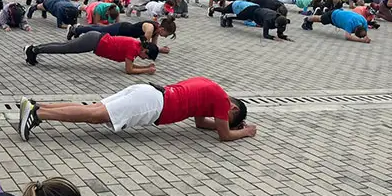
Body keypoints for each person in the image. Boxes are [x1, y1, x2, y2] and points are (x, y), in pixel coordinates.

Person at [18, 77, 254, 142]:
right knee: (93, 115)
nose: (222, 118)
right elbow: (224, 135)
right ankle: (39, 114)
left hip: (149, 92)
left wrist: (224, 126)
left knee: (94, 111)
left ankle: (37, 107)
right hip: (153, 105)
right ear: (232, 108)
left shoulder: (210, 89)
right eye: (229, 118)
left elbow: (201, 124)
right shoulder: (222, 101)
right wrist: (245, 132)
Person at [24, 32, 158, 73]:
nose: (143, 58)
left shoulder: (136, 45)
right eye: (146, 57)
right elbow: (129, 70)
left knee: (64, 46)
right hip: (93, 41)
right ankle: (34, 50)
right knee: (64, 48)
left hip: (95, 39)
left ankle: (35, 49)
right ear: (145, 50)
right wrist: (147, 70)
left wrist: (147, 68)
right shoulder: (134, 48)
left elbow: (131, 67)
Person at [69, 17, 176, 53]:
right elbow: (145, 43)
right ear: (162, 29)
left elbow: (152, 46)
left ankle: (77, 30)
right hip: (121, 28)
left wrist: (159, 49)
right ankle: (76, 29)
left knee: (99, 30)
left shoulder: (156, 32)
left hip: (124, 31)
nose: (166, 36)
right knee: (99, 30)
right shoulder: (151, 27)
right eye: (167, 34)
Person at [219, 0, 290, 40]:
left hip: (258, 9)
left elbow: (280, 33)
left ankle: (228, 18)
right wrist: (274, 38)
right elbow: (265, 35)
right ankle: (226, 16)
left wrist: (284, 37)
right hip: (251, 10)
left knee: (241, 17)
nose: (278, 28)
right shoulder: (268, 20)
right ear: (276, 23)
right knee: (240, 17)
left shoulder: (283, 20)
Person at [302, 7, 371, 43]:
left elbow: (365, 33)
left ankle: (322, 12)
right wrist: (361, 40)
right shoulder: (350, 24)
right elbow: (348, 37)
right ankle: (307, 19)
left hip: (340, 13)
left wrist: (366, 38)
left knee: (321, 18)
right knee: (320, 19)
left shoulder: (363, 21)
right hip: (333, 15)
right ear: (354, 31)